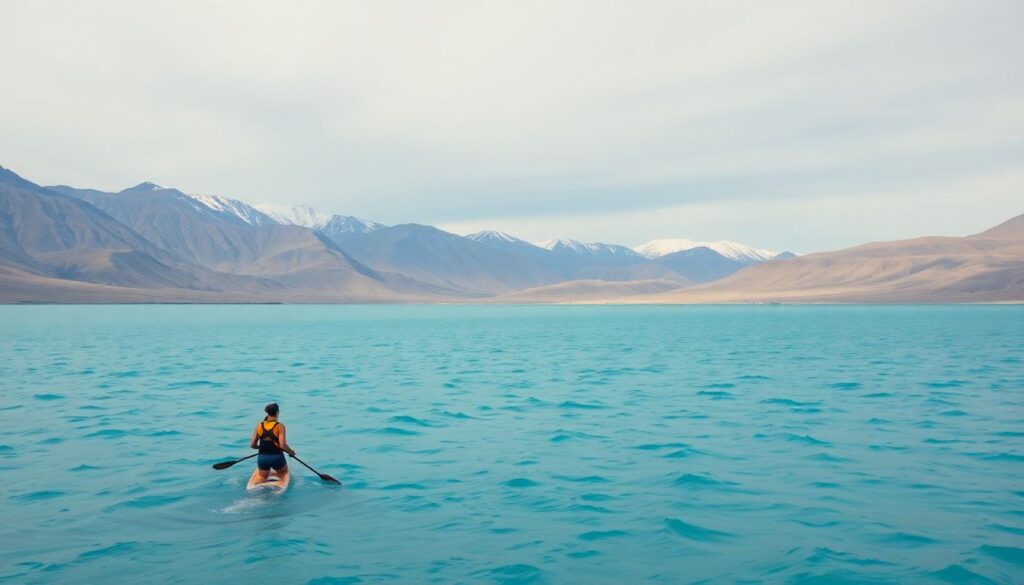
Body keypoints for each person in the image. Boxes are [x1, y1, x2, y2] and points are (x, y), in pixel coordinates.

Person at [249, 402, 296, 481]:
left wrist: (263, 447)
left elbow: (252, 445)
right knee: (283, 473)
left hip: (262, 458)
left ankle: (261, 481)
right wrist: (291, 452)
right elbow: (283, 445)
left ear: (267, 413)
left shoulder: (259, 425)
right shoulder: (280, 426)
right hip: (276, 458)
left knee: (262, 477)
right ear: (277, 412)